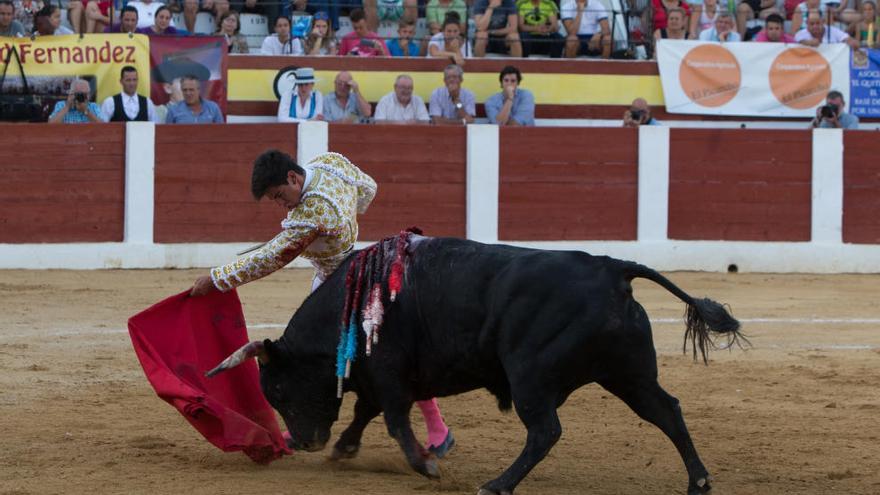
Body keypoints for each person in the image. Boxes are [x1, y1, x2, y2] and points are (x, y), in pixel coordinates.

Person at [189, 149, 455, 458]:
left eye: (279, 195)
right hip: (350, 273)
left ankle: (438, 429)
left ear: (293, 177)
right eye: (274, 200)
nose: (280, 204)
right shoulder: (330, 161)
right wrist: (348, 217)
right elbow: (368, 186)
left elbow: (271, 257)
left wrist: (218, 278)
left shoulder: (312, 213)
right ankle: (313, 422)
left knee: (383, 357)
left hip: (342, 288)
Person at [796, 11, 860, 48]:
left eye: (818, 23)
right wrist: (808, 43)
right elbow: (798, 42)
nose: (815, 26)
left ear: (823, 21)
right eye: (812, 24)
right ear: (806, 23)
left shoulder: (833, 30)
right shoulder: (801, 34)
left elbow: (848, 39)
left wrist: (851, 42)